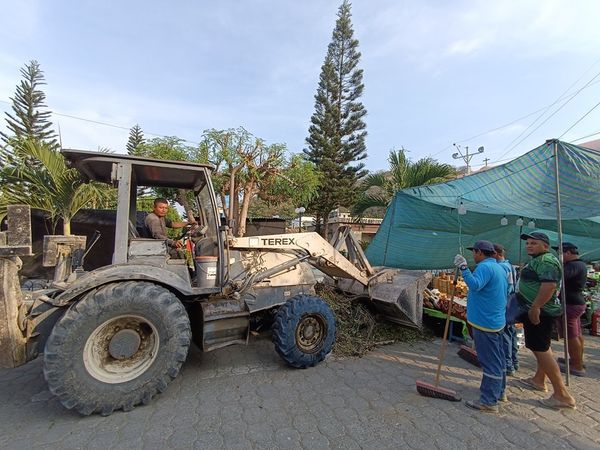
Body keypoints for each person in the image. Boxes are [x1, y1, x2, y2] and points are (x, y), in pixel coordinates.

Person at [516, 232, 576, 410]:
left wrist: (536, 307)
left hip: (541, 312)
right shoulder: (538, 260)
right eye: (528, 243)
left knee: (540, 348)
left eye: (534, 243)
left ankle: (562, 395)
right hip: (538, 310)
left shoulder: (546, 261)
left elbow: (549, 286)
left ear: (545, 246)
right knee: (542, 347)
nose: (529, 245)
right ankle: (539, 379)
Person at [454, 240, 508, 413]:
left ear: (479, 252)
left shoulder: (484, 267)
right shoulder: (499, 267)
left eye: (474, 252)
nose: (473, 256)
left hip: (486, 322)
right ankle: (500, 392)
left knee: (489, 362)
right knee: (498, 359)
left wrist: (464, 268)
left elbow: (475, 285)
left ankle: (488, 401)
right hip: (496, 320)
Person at [552, 242, 588, 377]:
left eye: (560, 253)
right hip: (575, 302)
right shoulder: (579, 264)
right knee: (576, 333)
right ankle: (576, 360)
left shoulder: (573, 266)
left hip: (571, 304)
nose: (558, 256)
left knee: (571, 335)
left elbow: (558, 278)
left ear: (567, 253)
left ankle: (577, 365)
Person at [493, 243, 519, 375]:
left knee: (505, 335)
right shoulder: (510, 266)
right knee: (511, 332)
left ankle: (508, 365)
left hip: (504, 303)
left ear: (496, 254)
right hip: (511, 302)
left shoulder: (501, 267)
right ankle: (514, 361)